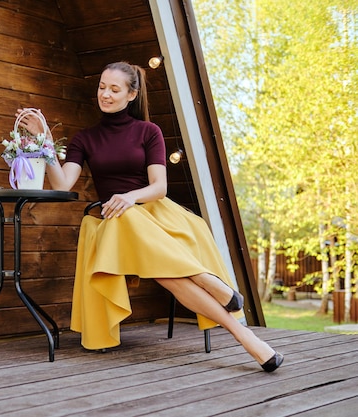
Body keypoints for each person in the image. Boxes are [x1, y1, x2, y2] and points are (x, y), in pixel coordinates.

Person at [16, 61, 283, 372]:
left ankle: (240, 328)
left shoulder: (149, 132)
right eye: (102, 87)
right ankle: (232, 314)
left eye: (114, 89)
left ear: (132, 94)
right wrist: (45, 140)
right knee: (129, 225)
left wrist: (129, 197)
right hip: (114, 223)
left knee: (164, 269)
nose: (105, 94)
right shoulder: (84, 138)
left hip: (154, 214)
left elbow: (159, 187)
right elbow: (62, 184)